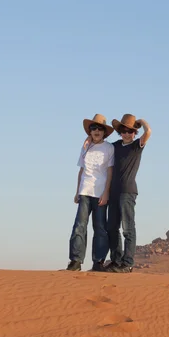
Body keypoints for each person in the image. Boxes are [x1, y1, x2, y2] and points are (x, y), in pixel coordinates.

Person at [67, 114, 115, 272]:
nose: (96, 131)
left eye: (100, 128)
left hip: (100, 192)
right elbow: (81, 170)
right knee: (79, 226)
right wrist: (77, 192)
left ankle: (98, 261)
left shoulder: (109, 148)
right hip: (84, 191)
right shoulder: (85, 147)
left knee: (100, 227)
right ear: (90, 131)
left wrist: (106, 192)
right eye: (93, 128)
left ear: (104, 132)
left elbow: (110, 172)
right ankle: (75, 261)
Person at [106, 114, 152, 273]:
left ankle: (128, 263)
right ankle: (116, 261)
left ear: (134, 133)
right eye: (124, 131)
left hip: (128, 192)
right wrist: (88, 142)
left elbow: (149, 132)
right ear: (119, 132)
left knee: (127, 228)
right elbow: (100, 147)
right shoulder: (115, 146)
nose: (127, 134)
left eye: (130, 131)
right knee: (112, 227)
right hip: (113, 192)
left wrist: (142, 122)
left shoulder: (136, 146)